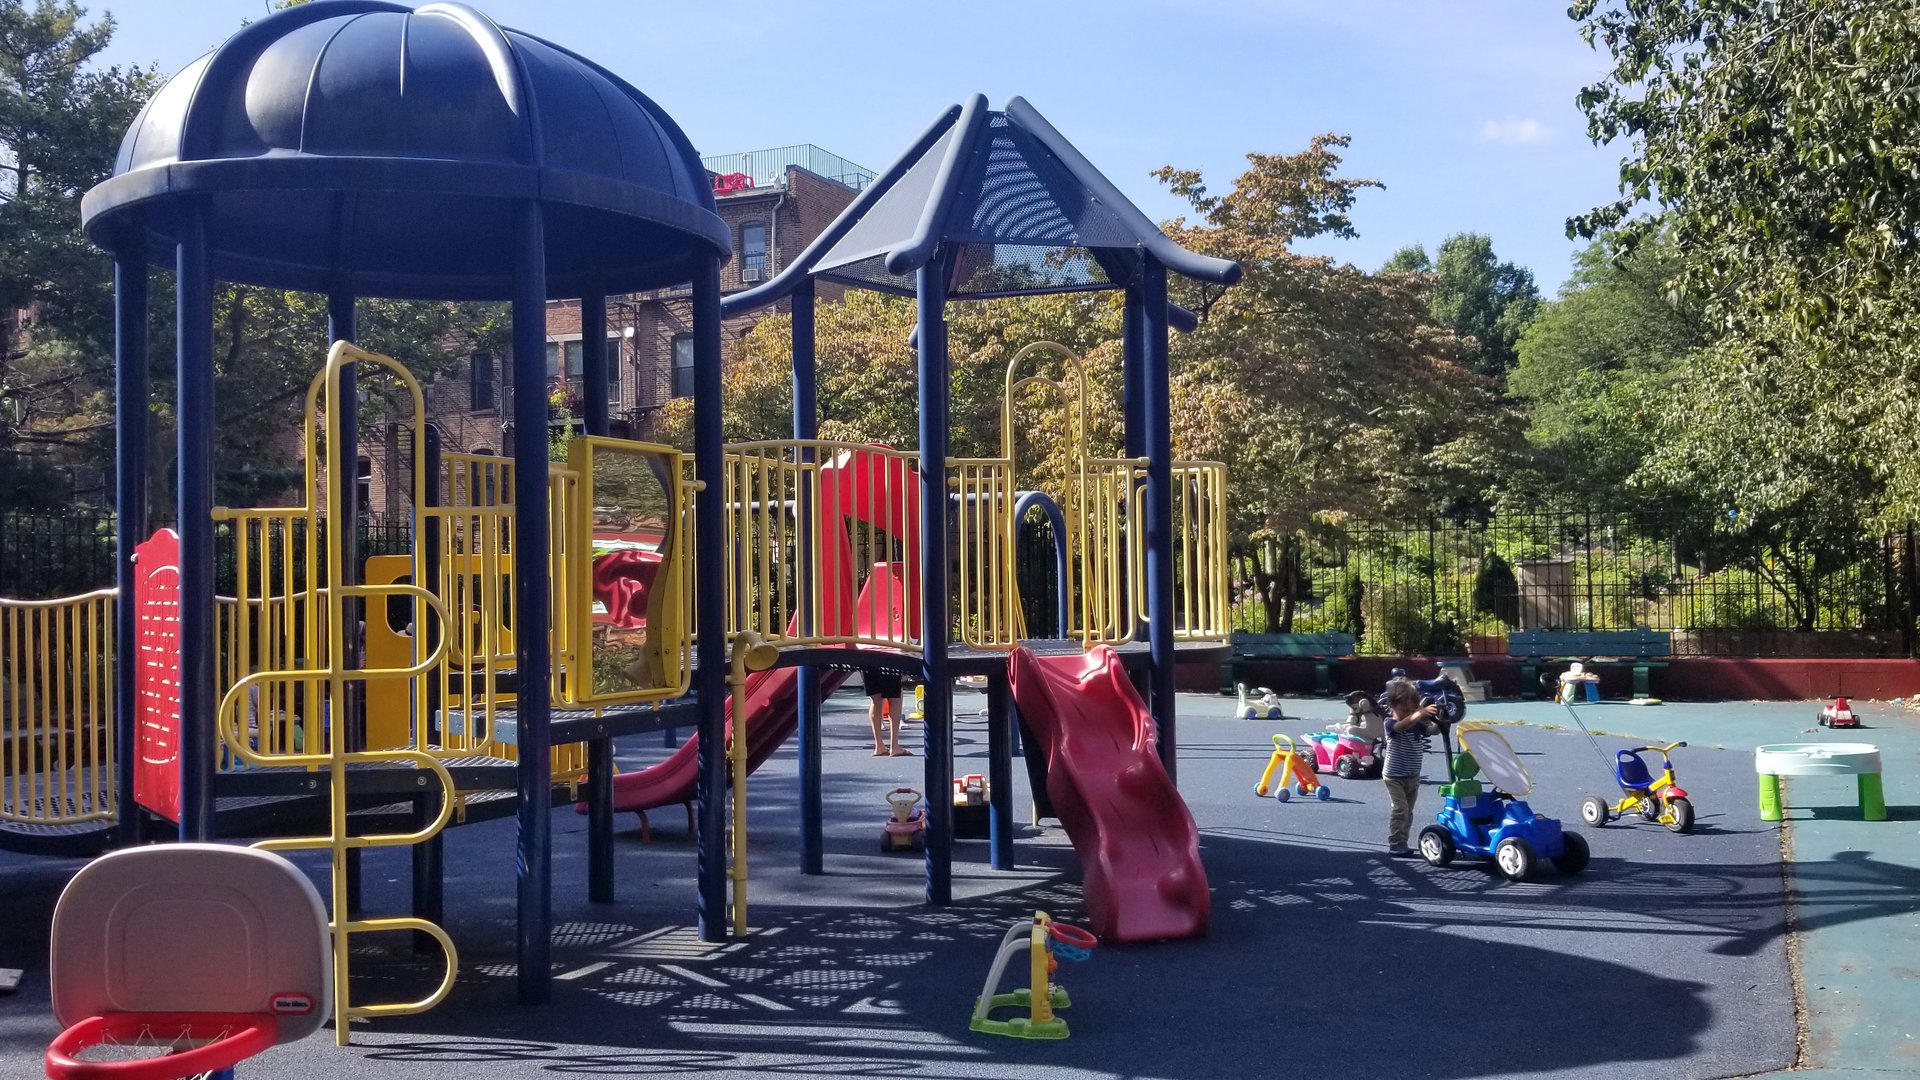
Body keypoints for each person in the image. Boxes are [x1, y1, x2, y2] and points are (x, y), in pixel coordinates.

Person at [1380, 677, 1439, 856]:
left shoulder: (1417, 724)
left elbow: (1433, 731)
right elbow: (1401, 726)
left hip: (1413, 775)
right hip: (1394, 776)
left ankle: (1403, 840)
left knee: (1409, 811)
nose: (1408, 714)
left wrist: (1442, 720)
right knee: (1400, 809)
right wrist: (1419, 714)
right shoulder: (1390, 723)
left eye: (1411, 710)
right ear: (1392, 705)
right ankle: (1395, 842)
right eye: (1404, 709)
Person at [866, 669, 909, 756]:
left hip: (866, 658)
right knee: (894, 698)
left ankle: (879, 746)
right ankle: (894, 746)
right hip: (888, 659)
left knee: (875, 698)